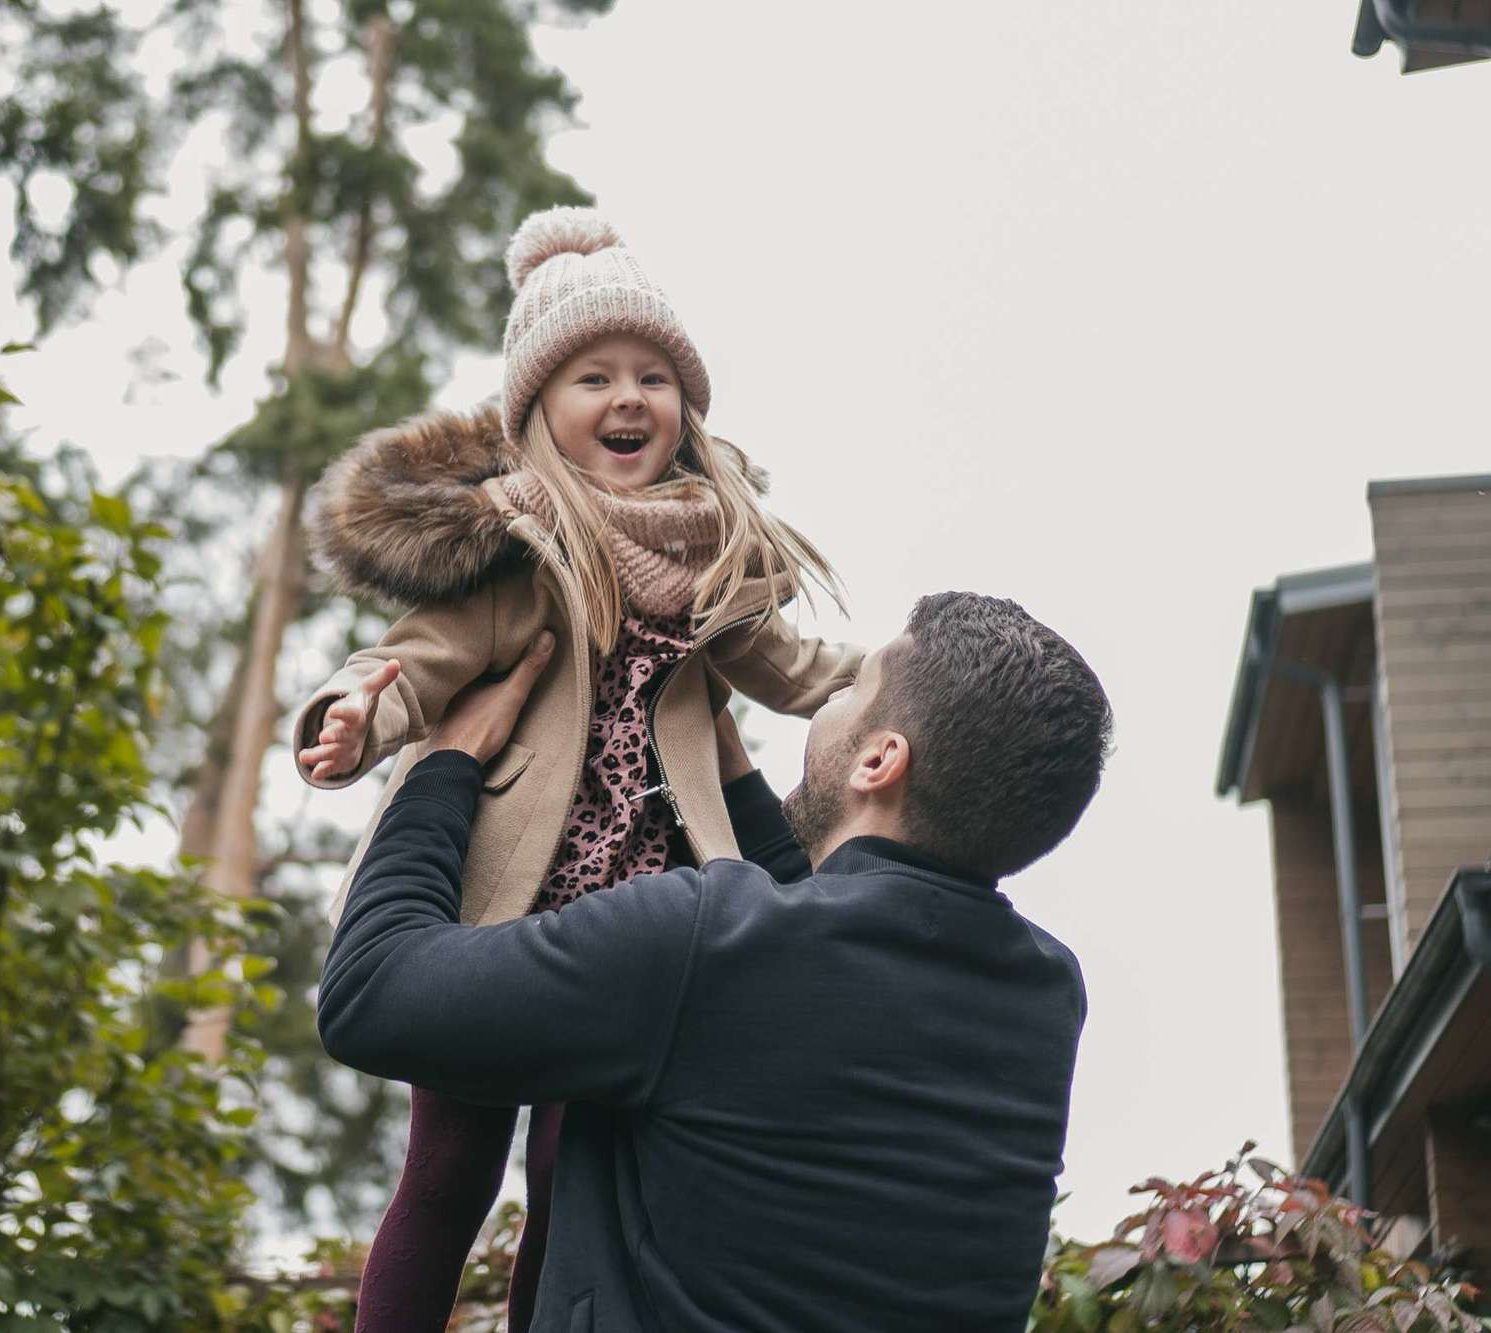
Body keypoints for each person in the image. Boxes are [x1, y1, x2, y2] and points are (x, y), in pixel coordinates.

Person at [292, 206, 863, 1330]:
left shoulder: (713, 560)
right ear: (538, 409)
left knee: (576, 1172)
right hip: (494, 915)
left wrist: (901, 674)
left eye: (652, 375)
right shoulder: (516, 550)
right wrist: (356, 710)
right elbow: (415, 663)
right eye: (592, 376)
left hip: (634, 929)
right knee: (448, 1169)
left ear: (684, 408)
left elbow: (797, 670)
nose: (627, 399)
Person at [317, 591, 1113, 1333]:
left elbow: (371, 992)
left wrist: (444, 763)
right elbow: (830, 949)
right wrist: (722, 760)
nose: (824, 708)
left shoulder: (701, 941)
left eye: (849, 692)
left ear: (880, 761)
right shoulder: (1043, 998)